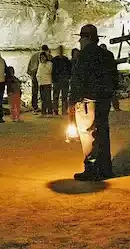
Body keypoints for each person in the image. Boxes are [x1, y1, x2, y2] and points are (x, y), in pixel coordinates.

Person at [68, 24, 117, 181]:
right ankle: (105, 168)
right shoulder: (107, 55)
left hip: (87, 101)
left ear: (87, 38)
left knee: (88, 134)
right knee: (102, 132)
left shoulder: (83, 56)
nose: (80, 41)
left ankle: (92, 169)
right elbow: (114, 78)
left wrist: (72, 101)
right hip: (104, 100)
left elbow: (78, 80)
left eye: (81, 38)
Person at [26, 45, 50, 113]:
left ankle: (35, 106)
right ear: (46, 50)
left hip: (33, 73)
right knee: (43, 91)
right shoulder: (44, 55)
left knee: (34, 91)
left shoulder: (34, 55)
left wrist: (31, 73)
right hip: (40, 74)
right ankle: (44, 107)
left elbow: (29, 67)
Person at [99, 44, 122, 111]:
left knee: (108, 93)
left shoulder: (100, 55)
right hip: (109, 76)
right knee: (112, 93)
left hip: (106, 76)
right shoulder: (109, 54)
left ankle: (108, 107)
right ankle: (115, 107)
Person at [51, 46, 72, 116]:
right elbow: (52, 70)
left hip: (64, 80)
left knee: (64, 97)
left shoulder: (66, 60)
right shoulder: (54, 60)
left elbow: (69, 69)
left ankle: (64, 111)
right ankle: (55, 110)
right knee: (56, 96)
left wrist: (68, 77)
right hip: (57, 80)